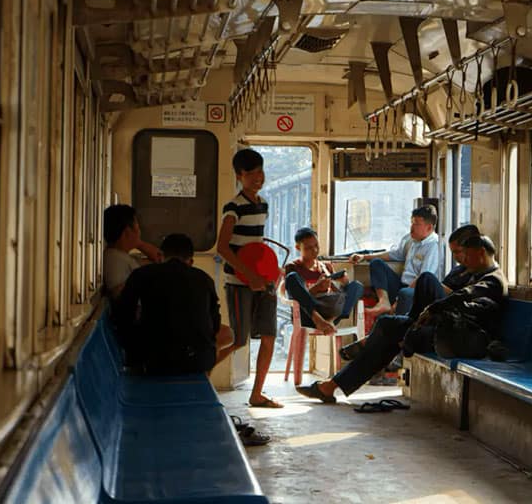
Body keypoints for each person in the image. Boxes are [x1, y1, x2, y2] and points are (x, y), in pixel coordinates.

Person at [296, 235, 507, 403]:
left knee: (424, 282)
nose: (463, 261)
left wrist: (433, 308)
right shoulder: (472, 272)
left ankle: (333, 383)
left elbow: (465, 298)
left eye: (467, 256)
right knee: (388, 330)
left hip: (464, 337)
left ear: (481, 253)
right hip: (445, 329)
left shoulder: (494, 280)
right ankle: (331, 386)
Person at [340, 224, 480, 361]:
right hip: (425, 301)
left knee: (421, 283)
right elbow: (393, 254)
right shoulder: (458, 269)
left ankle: (376, 343)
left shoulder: (478, 274)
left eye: (458, 252)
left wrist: (402, 301)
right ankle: (390, 316)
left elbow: (462, 299)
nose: (455, 257)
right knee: (386, 320)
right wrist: (364, 257)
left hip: (449, 314)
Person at [113, 234, 234, 375]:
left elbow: (123, 316)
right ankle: (204, 376)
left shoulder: (141, 275)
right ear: (191, 261)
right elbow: (214, 324)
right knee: (218, 340)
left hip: (151, 361)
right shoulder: (204, 279)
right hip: (197, 361)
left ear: (162, 256)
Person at [216, 148, 281, 408]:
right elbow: (222, 247)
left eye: (260, 172)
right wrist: (249, 275)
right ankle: (199, 373)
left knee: (268, 335)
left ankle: (257, 394)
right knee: (238, 339)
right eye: (251, 173)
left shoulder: (263, 203)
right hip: (238, 283)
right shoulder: (233, 207)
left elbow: (256, 244)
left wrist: (268, 273)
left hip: (262, 280)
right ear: (239, 176)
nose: (258, 178)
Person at [350, 204, 441, 317]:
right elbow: (394, 255)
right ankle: (384, 302)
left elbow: (423, 278)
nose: (412, 227)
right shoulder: (410, 239)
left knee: (404, 295)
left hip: (415, 291)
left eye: (416, 224)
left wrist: (398, 300)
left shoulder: (434, 246)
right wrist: (364, 257)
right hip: (402, 285)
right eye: (411, 222)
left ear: (429, 228)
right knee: (376, 263)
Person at [279, 227, 364, 334]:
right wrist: (316, 288)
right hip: (308, 315)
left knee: (356, 286)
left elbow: (336, 296)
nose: (314, 250)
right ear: (298, 247)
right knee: (291, 277)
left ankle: (329, 322)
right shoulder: (293, 267)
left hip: (330, 312)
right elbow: (296, 298)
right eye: (308, 247)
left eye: (316, 246)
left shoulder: (326, 267)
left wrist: (343, 284)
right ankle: (319, 320)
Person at [102, 204, 162, 299]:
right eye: (138, 228)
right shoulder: (114, 259)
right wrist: (139, 243)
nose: (140, 232)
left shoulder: (122, 256)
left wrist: (139, 244)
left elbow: (158, 259)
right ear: (127, 232)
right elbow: (117, 294)